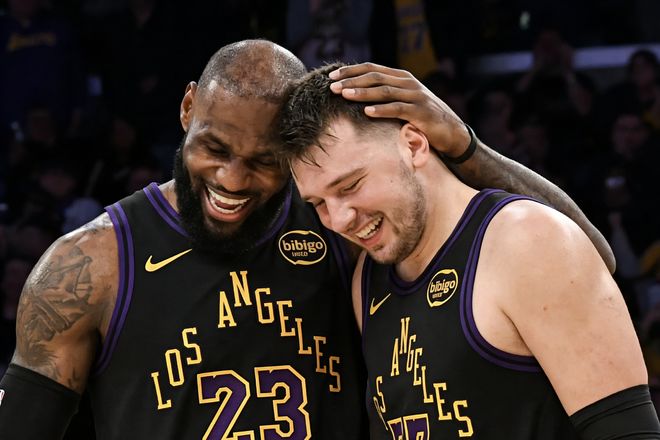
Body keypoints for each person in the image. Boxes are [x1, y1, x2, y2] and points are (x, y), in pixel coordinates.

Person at [0, 40, 614, 439]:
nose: (232, 179)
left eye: (264, 161)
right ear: (188, 109)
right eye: (214, 148)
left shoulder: (343, 227)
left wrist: (463, 145)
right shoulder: (91, 264)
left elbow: (586, 257)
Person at [277, 62, 660, 438]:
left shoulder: (526, 240)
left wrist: (465, 143)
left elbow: (628, 433)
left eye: (350, 186)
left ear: (414, 145)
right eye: (319, 203)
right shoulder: (369, 277)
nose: (339, 219)